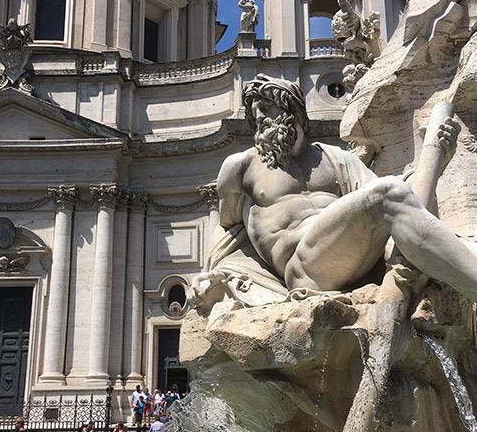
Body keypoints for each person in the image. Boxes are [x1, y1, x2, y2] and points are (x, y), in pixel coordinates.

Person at [190, 74, 477, 307]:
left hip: (355, 256)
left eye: (267, 109)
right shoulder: (241, 166)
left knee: (396, 194)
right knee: (389, 191)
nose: (260, 118)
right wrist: (213, 275)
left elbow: (405, 204)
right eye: (255, 115)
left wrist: (435, 164)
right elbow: (227, 230)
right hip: (304, 269)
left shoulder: (334, 157)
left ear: (293, 112)